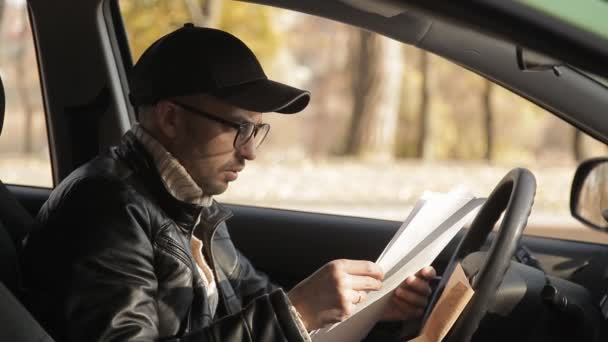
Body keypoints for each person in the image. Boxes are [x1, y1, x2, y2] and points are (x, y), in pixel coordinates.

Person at [21, 24, 436, 341]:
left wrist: (367, 308)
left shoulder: (187, 202)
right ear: (170, 118)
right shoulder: (104, 210)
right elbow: (277, 315)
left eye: (256, 131)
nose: (250, 151)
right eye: (238, 128)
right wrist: (295, 313)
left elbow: (253, 301)